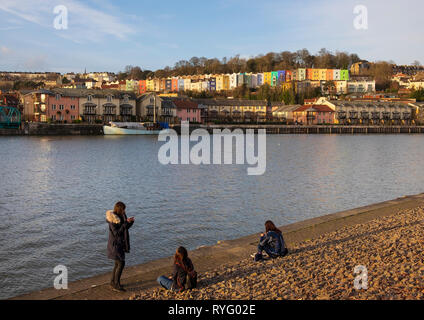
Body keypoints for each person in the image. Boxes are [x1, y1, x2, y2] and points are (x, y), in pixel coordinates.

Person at [106, 201, 135, 292]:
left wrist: (130, 222)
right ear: (120, 209)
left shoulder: (121, 216)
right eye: (123, 209)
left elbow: (124, 228)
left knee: (117, 264)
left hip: (119, 244)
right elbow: (117, 233)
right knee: (121, 263)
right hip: (115, 245)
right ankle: (116, 284)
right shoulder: (112, 220)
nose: (124, 211)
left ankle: (112, 282)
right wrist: (126, 223)